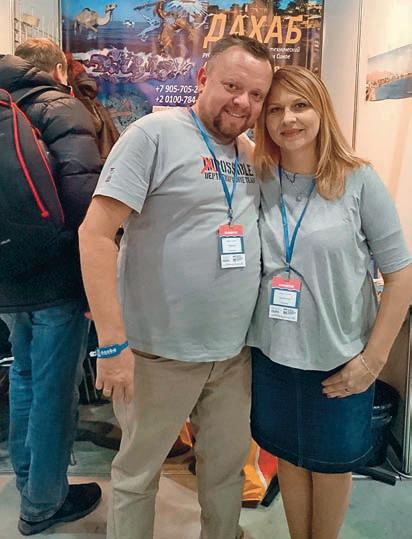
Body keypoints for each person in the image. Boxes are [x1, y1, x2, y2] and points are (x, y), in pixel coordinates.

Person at [79, 35, 273, 539]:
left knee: (225, 473)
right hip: (157, 354)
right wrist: (112, 344)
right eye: (232, 86)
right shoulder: (153, 135)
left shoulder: (250, 155)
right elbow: (95, 235)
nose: (243, 103)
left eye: (256, 95)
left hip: (232, 355)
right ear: (203, 78)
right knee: (138, 477)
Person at [249, 65, 412, 539]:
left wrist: (372, 361)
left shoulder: (358, 180)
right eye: (275, 109)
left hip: (339, 361)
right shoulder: (261, 178)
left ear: (322, 109)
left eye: (300, 105)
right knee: (290, 457)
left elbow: (400, 275)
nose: (288, 119)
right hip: (274, 356)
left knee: (330, 466)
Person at [0, 38, 102, 535]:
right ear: (60, 69)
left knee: (24, 378)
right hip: (58, 276)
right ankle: (43, 503)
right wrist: (95, 282)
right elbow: (84, 199)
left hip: (8, 273)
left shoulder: (6, 104)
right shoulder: (61, 107)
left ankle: (28, 483)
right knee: (55, 392)